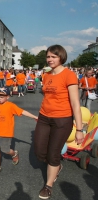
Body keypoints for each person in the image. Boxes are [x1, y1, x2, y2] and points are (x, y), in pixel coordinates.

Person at [34, 45, 83, 199]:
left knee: (53, 153)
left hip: (62, 119)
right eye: (48, 57)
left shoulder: (69, 75)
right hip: (44, 117)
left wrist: (80, 129)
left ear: (61, 57)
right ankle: (57, 165)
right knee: (39, 151)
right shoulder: (46, 75)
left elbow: (75, 103)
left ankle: (48, 185)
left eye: (53, 57)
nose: (50, 59)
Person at [0, 87, 38, 173]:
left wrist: (34, 117)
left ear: (8, 97)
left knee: (5, 150)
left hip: (6, 132)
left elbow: (22, 111)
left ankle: (14, 153)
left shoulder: (11, 106)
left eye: (2, 96)